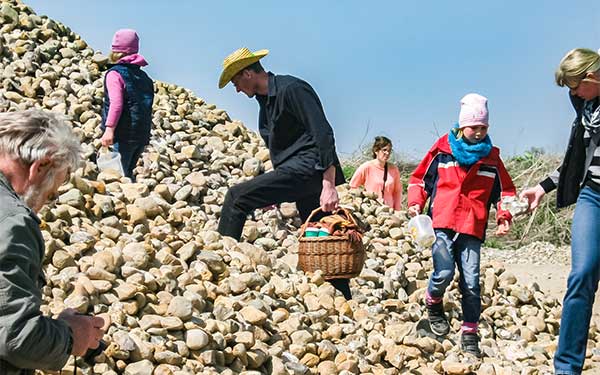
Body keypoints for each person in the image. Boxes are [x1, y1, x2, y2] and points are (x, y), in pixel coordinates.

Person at [217, 47, 350, 298]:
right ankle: (342, 294)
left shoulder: (292, 89)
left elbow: (322, 132)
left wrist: (329, 184)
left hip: (310, 168)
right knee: (320, 234)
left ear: (247, 73)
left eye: (235, 82)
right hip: (297, 172)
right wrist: (275, 190)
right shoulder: (265, 103)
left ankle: (222, 266)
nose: (236, 89)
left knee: (237, 198)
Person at [407, 93, 516, 357]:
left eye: (483, 128)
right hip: (441, 223)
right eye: (474, 127)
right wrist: (415, 203)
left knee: (471, 282)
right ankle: (433, 301)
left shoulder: (491, 159)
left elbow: (506, 192)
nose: (479, 132)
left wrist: (504, 216)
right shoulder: (443, 151)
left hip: (472, 227)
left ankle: (470, 332)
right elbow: (420, 179)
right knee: (443, 272)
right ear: (462, 126)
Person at [0, 110, 105, 374]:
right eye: (50, 193)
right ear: (41, 166)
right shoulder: (12, 221)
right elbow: (16, 337)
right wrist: (71, 335)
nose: (42, 205)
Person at [521, 48, 600, 375]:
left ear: (592, 77)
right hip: (593, 197)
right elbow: (575, 163)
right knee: (582, 274)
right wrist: (542, 187)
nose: (572, 93)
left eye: (575, 85)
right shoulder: (587, 108)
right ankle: (566, 368)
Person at [100, 28, 154, 181]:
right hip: (141, 135)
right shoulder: (145, 78)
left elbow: (116, 104)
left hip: (122, 135)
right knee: (128, 173)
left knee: (116, 176)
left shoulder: (114, 74)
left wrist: (109, 129)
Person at [350, 136, 403, 210]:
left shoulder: (394, 169)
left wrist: (397, 210)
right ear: (376, 151)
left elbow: (397, 192)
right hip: (372, 210)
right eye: (384, 150)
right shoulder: (366, 167)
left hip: (390, 211)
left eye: (389, 150)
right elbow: (352, 186)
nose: (387, 153)